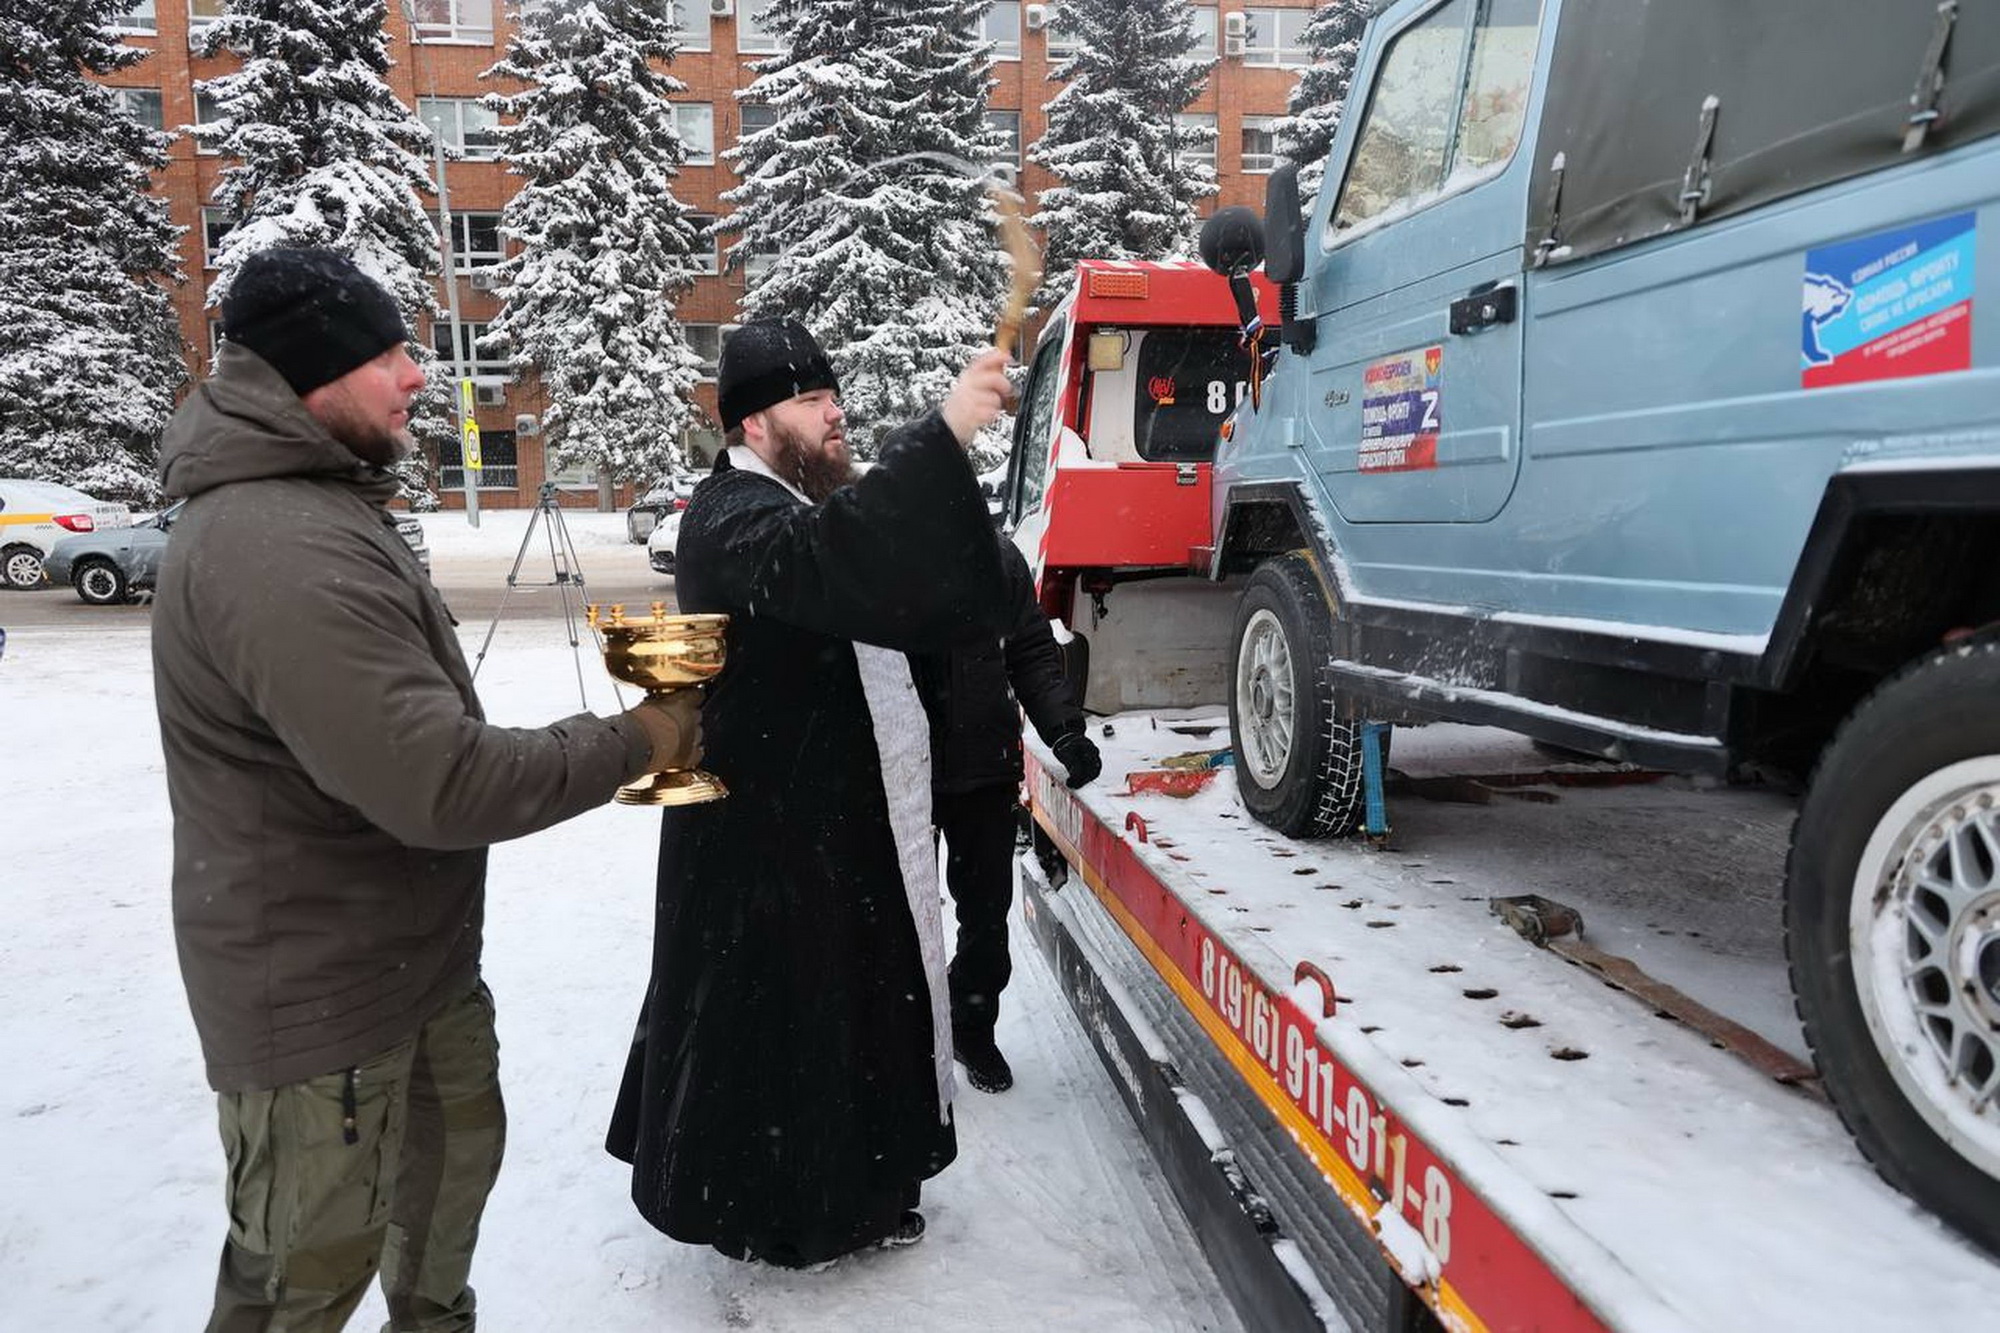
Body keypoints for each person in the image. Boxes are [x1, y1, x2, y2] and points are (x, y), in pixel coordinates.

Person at [151, 246, 703, 1332]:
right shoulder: (274, 544)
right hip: (321, 1009)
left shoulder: (322, 506)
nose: (419, 377)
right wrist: (648, 732)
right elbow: (439, 783)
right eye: (392, 353)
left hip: (416, 976)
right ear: (317, 370)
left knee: (434, 1239)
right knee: (298, 1285)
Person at [606, 319, 1012, 1270]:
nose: (836, 413)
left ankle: (860, 1190)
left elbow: (891, 574)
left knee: (850, 1013)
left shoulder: (793, 499)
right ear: (752, 425)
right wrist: (943, 431)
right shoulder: (728, 516)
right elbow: (825, 558)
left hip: (831, 829)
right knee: (786, 1031)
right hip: (763, 846)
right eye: (810, 400)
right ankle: (786, 1217)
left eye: (834, 396)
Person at [911, 540, 1100, 1094]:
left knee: (986, 920)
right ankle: (905, 1045)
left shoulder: (994, 556)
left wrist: (1063, 728)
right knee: (896, 921)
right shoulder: (876, 545)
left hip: (983, 771)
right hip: (901, 775)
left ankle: (972, 1028)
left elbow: (1031, 652)